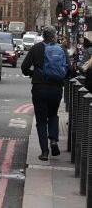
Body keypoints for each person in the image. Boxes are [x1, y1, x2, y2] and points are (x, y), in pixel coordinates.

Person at [21, 25, 71, 161]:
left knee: (41, 120)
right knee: (53, 115)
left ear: (43, 36)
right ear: (54, 36)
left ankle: (44, 152)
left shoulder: (36, 48)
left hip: (39, 88)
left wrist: (33, 73)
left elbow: (24, 67)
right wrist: (60, 78)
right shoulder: (61, 49)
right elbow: (69, 70)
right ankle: (54, 140)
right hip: (56, 88)